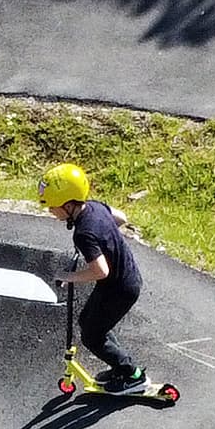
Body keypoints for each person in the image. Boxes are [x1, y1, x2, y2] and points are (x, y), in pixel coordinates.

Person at [40, 161, 147, 393]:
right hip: (123, 279)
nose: (50, 211)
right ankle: (120, 366)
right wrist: (107, 237)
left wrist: (68, 276)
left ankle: (133, 376)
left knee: (91, 336)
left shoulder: (84, 233)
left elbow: (100, 271)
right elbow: (120, 217)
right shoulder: (94, 207)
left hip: (119, 288)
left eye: (52, 206)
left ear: (68, 205)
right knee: (88, 323)